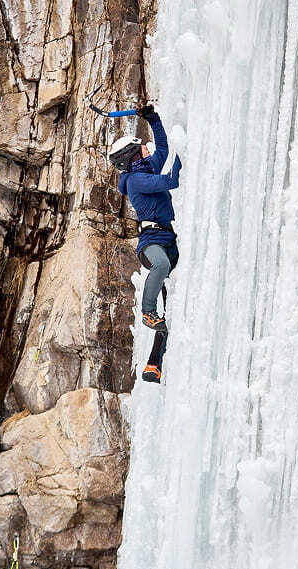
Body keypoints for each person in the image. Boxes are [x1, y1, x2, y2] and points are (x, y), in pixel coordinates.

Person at [108, 105, 183, 383]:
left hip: (167, 238)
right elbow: (170, 179)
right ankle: (147, 312)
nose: (147, 149)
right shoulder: (137, 180)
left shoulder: (144, 169)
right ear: (132, 156)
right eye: (141, 148)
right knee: (161, 266)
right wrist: (184, 156)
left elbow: (161, 147)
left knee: (171, 302)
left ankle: (155, 365)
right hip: (151, 243)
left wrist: (154, 119)